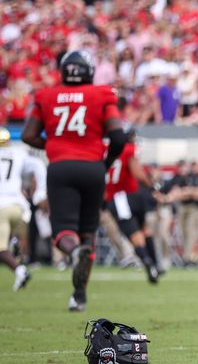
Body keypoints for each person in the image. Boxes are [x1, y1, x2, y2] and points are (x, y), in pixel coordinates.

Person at [22, 51, 127, 311]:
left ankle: (74, 251)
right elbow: (118, 138)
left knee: (63, 233)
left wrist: (55, 145)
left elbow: (28, 134)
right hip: (92, 167)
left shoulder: (45, 95)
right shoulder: (102, 94)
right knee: (88, 232)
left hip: (61, 167)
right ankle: (79, 294)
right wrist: (105, 163)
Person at [105, 127, 160, 284]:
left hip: (119, 197)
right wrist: (151, 185)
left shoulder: (104, 149)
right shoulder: (129, 149)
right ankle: (154, 263)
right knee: (143, 230)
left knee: (135, 234)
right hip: (131, 195)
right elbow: (137, 172)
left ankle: (148, 262)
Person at [0, 127, 46, 291]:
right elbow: (38, 165)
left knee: (0, 249)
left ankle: (20, 270)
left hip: (1, 206)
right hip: (19, 206)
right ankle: (14, 241)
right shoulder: (18, 153)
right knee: (12, 236)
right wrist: (40, 192)